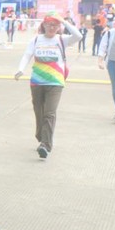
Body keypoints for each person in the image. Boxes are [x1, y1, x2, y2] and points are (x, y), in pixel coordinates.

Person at [15, 11, 80, 159]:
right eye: (49, 24)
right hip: (37, 82)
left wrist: (64, 21)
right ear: (44, 25)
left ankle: (45, 144)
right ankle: (41, 136)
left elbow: (78, 36)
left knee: (49, 113)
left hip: (55, 82)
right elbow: (27, 55)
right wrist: (20, 69)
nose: (52, 28)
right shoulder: (36, 40)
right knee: (39, 112)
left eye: (55, 25)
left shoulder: (62, 40)